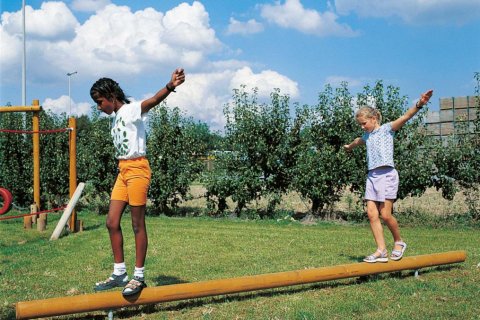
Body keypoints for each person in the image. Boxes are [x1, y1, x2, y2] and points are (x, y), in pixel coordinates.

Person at [90, 68, 185, 296]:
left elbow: (152, 100)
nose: (99, 107)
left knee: (137, 224)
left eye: (100, 101)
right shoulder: (114, 118)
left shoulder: (132, 110)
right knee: (112, 222)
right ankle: (119, 273)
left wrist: (170, 86)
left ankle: (138, 277)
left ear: (112, 97)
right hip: (122, 170)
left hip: (137, 169)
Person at [344, 89, 433, 263]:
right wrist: (349, 147)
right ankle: (381, 250)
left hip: (387, 174)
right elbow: (357, 141)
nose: (362, 127)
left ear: (373, 119)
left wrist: (419, 104)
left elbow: (406, 117)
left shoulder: (387, 130)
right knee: (371, 214)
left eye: (364, 123)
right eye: (360, 125)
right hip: (372, 176)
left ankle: (399, 242)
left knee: (385, 215)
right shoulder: (367, 136)